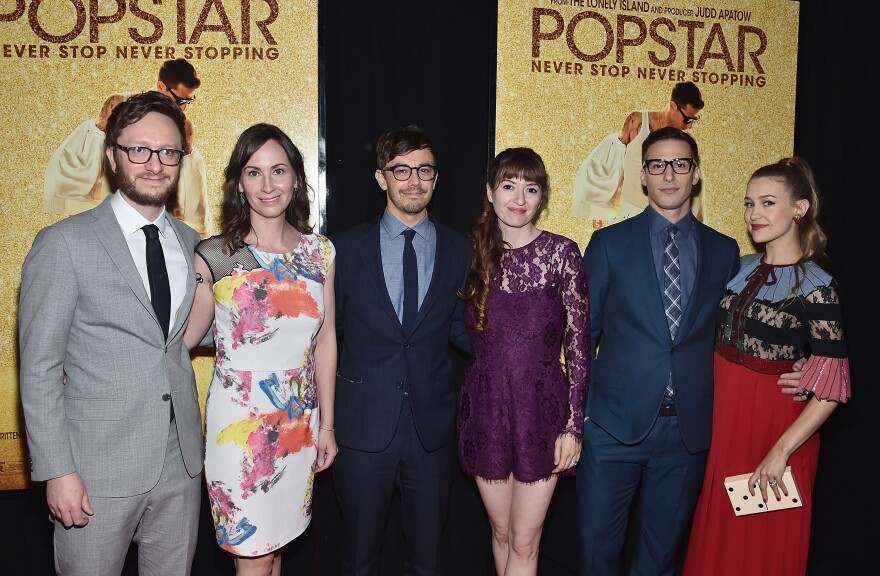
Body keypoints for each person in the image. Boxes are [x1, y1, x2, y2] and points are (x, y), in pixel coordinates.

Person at [19, 91, 204, 575]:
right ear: (111, 154)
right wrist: (57, 471)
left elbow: (178, 342)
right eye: (138, 149)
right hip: (95, 469)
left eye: (168, 152)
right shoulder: (63, 244)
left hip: (180, 463)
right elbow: (39, 369)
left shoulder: (190, 243)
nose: (154, 163)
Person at [682, 157, 851, 576]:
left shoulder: (817, 286)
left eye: (767, 203)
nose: (754, 214)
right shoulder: (736, 267)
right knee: (717, 535)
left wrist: (780, 452)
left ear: (799, 209)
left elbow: (832, 390)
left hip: (776, 430)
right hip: (727, 421)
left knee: (764, 546)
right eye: (748, 203)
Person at [183, 123, 338, 575]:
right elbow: (186, 338)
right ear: (239, 183)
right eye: (254, 173)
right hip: (241, 425)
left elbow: (325, 339)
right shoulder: (215, 256)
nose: (268, 185)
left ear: (295, 179)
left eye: (278, 171)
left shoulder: (319, 252)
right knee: (252, 554)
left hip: (298, 421)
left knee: (276, 548)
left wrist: (327, 425)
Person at [331, 125, 472, 575]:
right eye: (402, 170)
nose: (414, 181)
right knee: (358, 557)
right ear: (381, 178)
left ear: (436, 177)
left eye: (424, 170)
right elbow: (325, 336)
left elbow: (462, 330)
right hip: (361, 427)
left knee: (428, 559)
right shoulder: (344, 249)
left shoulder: (460, 249)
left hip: (431, 430)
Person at [456, 147, 589, 575]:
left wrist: (573, 425)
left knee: (526, 539)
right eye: (509, 186)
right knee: (501, 532)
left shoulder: (562, 254)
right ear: (491, 192)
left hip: (543, 414)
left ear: (542, 197)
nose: (519, 198)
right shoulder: (468, 256)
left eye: (530, 188)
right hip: (485, 410)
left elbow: (580, 346)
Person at [43, 58, 212, 237]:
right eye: (179, 100)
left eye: (189, 101)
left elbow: (185, 184)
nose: (184, 108)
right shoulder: (116, 105)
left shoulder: (184, 126)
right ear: (161, 86)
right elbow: (91, 160)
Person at [571, 81, 705, 229]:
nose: (690, 125)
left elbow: (693, 189)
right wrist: (601, 207)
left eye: (694, 120)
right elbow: (613, 161)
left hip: (665, 222)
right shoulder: (637, 121)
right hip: (629, 215)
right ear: (673, 106)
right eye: (687, 119)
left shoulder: (688, 141)